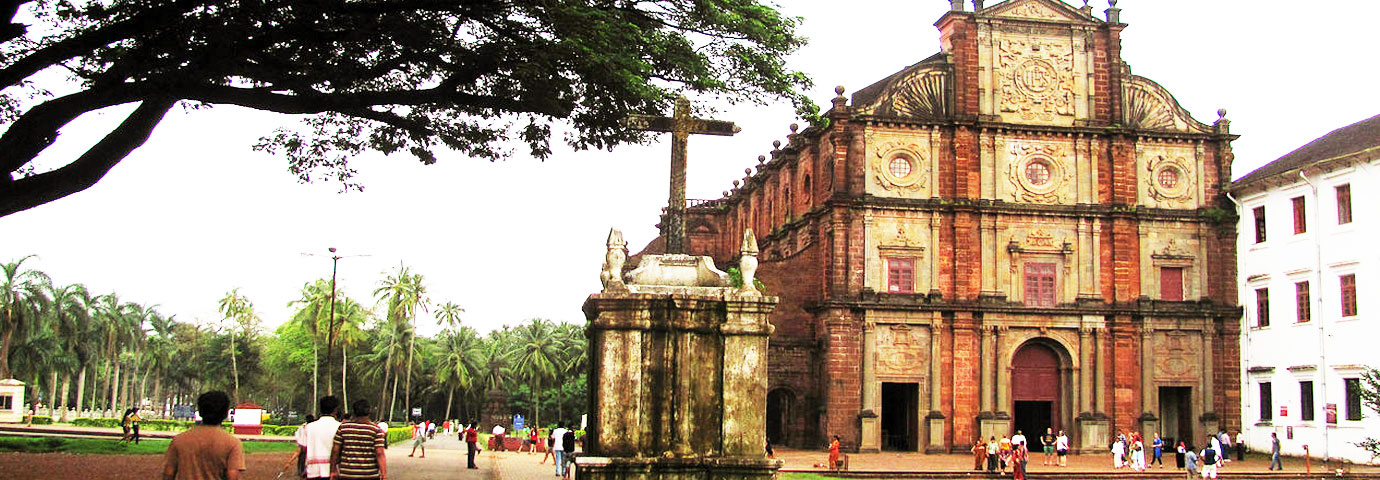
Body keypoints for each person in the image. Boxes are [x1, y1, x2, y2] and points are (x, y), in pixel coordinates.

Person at [161, 391, 245, 480]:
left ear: (200, 412)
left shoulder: (179, 440)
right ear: (225, 414)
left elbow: (168, 473)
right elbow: (232, 476)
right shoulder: (232, 443)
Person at [330, 399, 387, 480]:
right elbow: (379, 453)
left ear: (354, 411)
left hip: (347, 474)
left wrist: (333, 470)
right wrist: (384, 474)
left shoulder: (343, 428)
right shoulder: (376, 430)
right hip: (370, 475)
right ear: (369, 412)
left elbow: (335, 450)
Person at [295, 396, 342, 480]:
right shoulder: (340, 427)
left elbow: (303, 450)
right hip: (334, 470)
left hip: (313, 470)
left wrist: (303, 469)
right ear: (335, 410)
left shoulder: (309, 427)